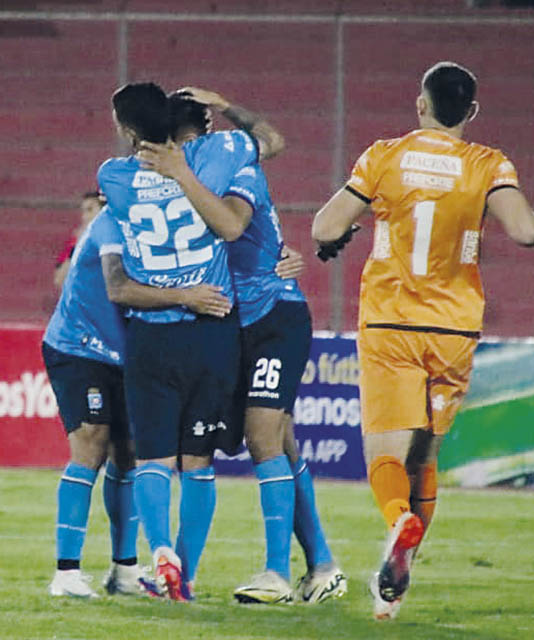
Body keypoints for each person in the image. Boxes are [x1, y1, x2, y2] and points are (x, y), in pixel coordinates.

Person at [310, 61, 534, 620]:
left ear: (420, 104)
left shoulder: (384, 156)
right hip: (453, 327)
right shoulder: (486, 163)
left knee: (384, 455)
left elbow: (325, 227)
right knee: (426, 451)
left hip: (392, 321)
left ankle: (398, 520)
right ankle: (396, 585)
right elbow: (524, 230)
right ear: (470, 112)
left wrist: (352, 226)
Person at [140, 88, 347, 605]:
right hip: (232, 325)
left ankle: (276, 573)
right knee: (273, 442)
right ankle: (320, 565)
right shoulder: (170, 184)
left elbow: (235, 219)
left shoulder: (235, 169)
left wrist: (223, 104)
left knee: (263, 436)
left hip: (274, 315)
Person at [97, 81, 258, 602]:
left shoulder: (114, 177)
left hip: (152, 334)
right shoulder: (215, 153)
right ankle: (182, 574)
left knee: (153, 461)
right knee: (199, 463)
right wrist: (224, 107)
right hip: (212, 329)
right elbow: (267, 142)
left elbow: (120, 272)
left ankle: (159, 548)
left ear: (125, 130)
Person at [42, 202, 232, 598]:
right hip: (80, 346)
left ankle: (124, 568)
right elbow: (117, 286)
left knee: (128, 454)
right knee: (90, 443)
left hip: (128, 355)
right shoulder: (113, 220)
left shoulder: (159, 226)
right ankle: (66, 571)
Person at [53, 191, 106, 289]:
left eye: (90, 210)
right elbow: (60, 280)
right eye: (83, 211)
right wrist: (78, 246)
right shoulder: (75, 243)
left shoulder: (118, 238)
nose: (84, 217)